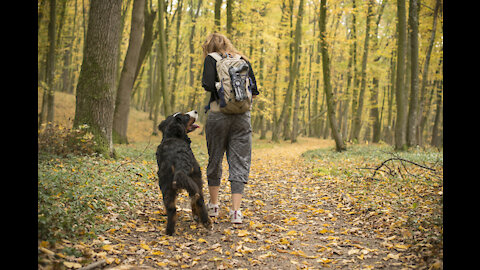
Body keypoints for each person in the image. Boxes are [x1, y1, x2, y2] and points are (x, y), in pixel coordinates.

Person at [201, 32, 259, 224]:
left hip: (218, 115)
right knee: (239, 161)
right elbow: (255, 90)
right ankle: (235, 212)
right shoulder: (241, 59)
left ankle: (214, 206)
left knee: (215, 159)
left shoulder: (211, 59)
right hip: (242, 117)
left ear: (209, 47)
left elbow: (207, 85)